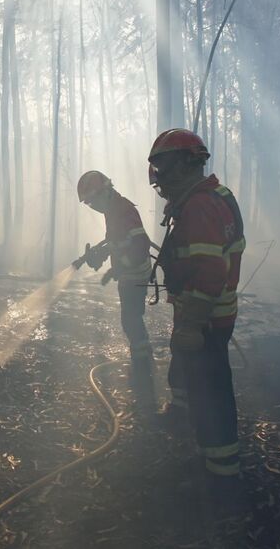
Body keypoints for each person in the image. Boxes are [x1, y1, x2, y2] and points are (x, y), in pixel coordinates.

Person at [148, 128, 246, 481]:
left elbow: (209, 270)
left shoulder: (200, 206)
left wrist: (191, 324)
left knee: (211, 393)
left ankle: (221, 472)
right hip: (211, 315)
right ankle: (210, 454)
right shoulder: (212, 197)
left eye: (163, 167)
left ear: (185, 164)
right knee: (206, 385)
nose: (159, 177)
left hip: (205, 318)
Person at [75, 171, 154, 362]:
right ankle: (141, 356)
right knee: (131, 319)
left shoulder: (124, 210)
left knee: (131, 319)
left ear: (105, 191)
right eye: (89, 204)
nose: (93, 206)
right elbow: (116, 241)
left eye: (93, 201)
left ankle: (142, 363)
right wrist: (100, 255)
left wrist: (118, 268)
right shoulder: (113, 210)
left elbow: (140, 246)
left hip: (135, 275)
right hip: (128, 274)